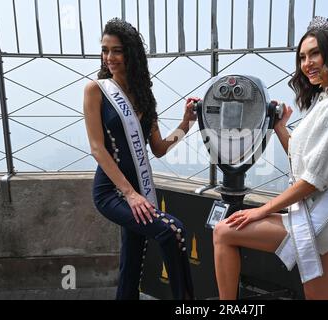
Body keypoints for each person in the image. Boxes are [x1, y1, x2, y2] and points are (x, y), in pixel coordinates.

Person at [213, 16, 328, 300]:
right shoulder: (327, 100)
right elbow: (302, 158)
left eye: (315, 53)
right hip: (321, 211)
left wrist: (261, 210)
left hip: (322, 215)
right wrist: (280, 126)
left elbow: (312, 180)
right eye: (302, 57)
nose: (307, 63)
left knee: (224, 231)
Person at [83, 18, 198, 300]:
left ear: (131, 53)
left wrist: (185, 124)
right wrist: (131, 195)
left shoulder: (145, 96)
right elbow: (97, 149)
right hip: (113, 192)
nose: (109, 57)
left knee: (132, 264)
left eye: (117, 50)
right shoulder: (96, 90)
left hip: (138, 191)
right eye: (105, 50)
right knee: (173, 231)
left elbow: (158, 148)